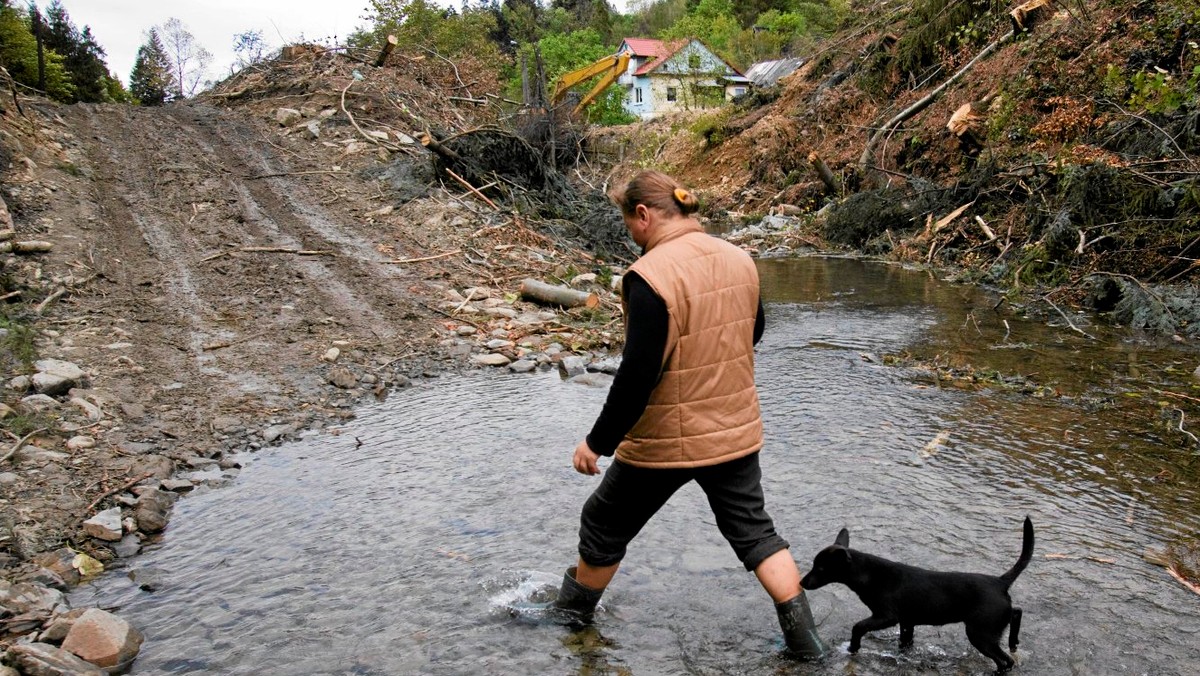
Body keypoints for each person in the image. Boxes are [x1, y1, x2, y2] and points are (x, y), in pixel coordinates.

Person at [550, 170, 826, 659]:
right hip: (734, 428)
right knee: (756, 532)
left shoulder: (651, 275)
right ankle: (807, 644)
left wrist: (597, 443)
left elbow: (637, 377)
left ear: (645, 214)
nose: (631, 234)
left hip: (664, 441)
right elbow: (752, 331)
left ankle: (573, 621)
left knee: (603, 522)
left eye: (629, 223)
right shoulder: (740, 257)